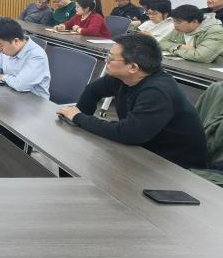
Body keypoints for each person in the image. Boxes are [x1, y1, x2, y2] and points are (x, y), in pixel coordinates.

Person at [57, 34, 209, 168]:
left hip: (175, 166)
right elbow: (92, 90)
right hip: (143, 149)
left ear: (133, 67)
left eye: (111, 58)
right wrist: (77, 118)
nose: (106, 61)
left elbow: (128, 133)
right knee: (75, 158)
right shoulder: (121, 78)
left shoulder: (157, 92)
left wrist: (79, 118)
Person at [0, 18, 51, 99]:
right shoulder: (9, 48)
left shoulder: (37, 55)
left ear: (16, 41)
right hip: (11, 94)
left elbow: (20, 85)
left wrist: (2, 77)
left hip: (33, 101)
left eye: (0, 45)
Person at [159, 4, 223, 65]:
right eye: (174, 21)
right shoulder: (179, 29)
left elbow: (202, 57)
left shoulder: (215, 31)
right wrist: (179, 47)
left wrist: (174, 50)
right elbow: (161, 43)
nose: (175, 25)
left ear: (194, 22)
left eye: (178, 22)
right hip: (187, 64)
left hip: (214, 69)